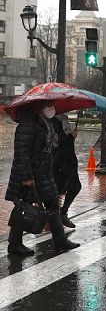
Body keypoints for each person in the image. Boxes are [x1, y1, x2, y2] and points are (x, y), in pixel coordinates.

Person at [5, 101, 80, 256]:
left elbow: (52, 147)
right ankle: (15, 244)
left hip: (44, 173)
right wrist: (26, 177)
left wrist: (69, 137)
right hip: (30, 174)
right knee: (23, 207)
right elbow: (21, 153)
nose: (51, 109)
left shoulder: (46, 124)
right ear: (37, 108)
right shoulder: (27, 125)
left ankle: (60, 241)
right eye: (47, 106)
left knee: (53, 204)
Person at [52, 114, 81, 228]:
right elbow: (57, 143)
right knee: (56, 191)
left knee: (75, 187)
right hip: (58, 163)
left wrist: (71, 136)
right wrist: (71, 137)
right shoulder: (52, 122)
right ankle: (54, 219)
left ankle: (62, 213)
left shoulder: (63, 119)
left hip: (69, 162)